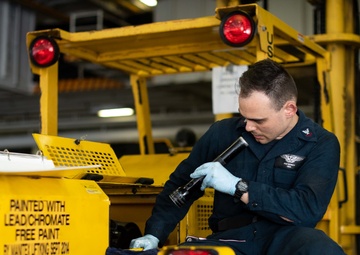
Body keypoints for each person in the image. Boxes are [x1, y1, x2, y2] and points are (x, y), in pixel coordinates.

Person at [129, 59, 345, 254]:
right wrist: (154, 234)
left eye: (259, 120)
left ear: (289, 109)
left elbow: (306, 210)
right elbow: (179, 186)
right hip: (229, 240)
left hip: (286, 239)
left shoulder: (320, 143)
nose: (248, 126)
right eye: (244, 117)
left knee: (321, 249)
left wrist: (238, 186)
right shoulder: (222, 134)